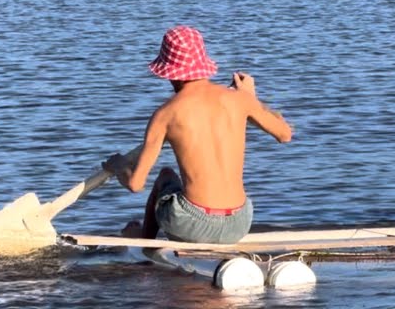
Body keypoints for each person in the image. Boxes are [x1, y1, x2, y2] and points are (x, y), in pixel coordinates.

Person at [102, 25, 292, 244]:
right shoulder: (241, 100)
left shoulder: (166, 114)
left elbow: (136, 184)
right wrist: (251, 97)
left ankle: (145, 242)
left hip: (193, 224)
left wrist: (119, 167)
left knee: (165, 176)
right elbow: (284, 134)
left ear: (170, 73)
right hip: (239, 223)